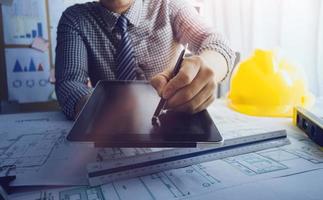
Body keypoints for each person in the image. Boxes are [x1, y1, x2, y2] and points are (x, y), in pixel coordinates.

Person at [55, 0, 235, 120]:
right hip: (106, 125)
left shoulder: (168, 5)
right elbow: (69, 83)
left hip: (168, 119)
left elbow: (217, 43)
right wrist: (102, 109)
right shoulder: (75, 19)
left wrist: (208, 68)